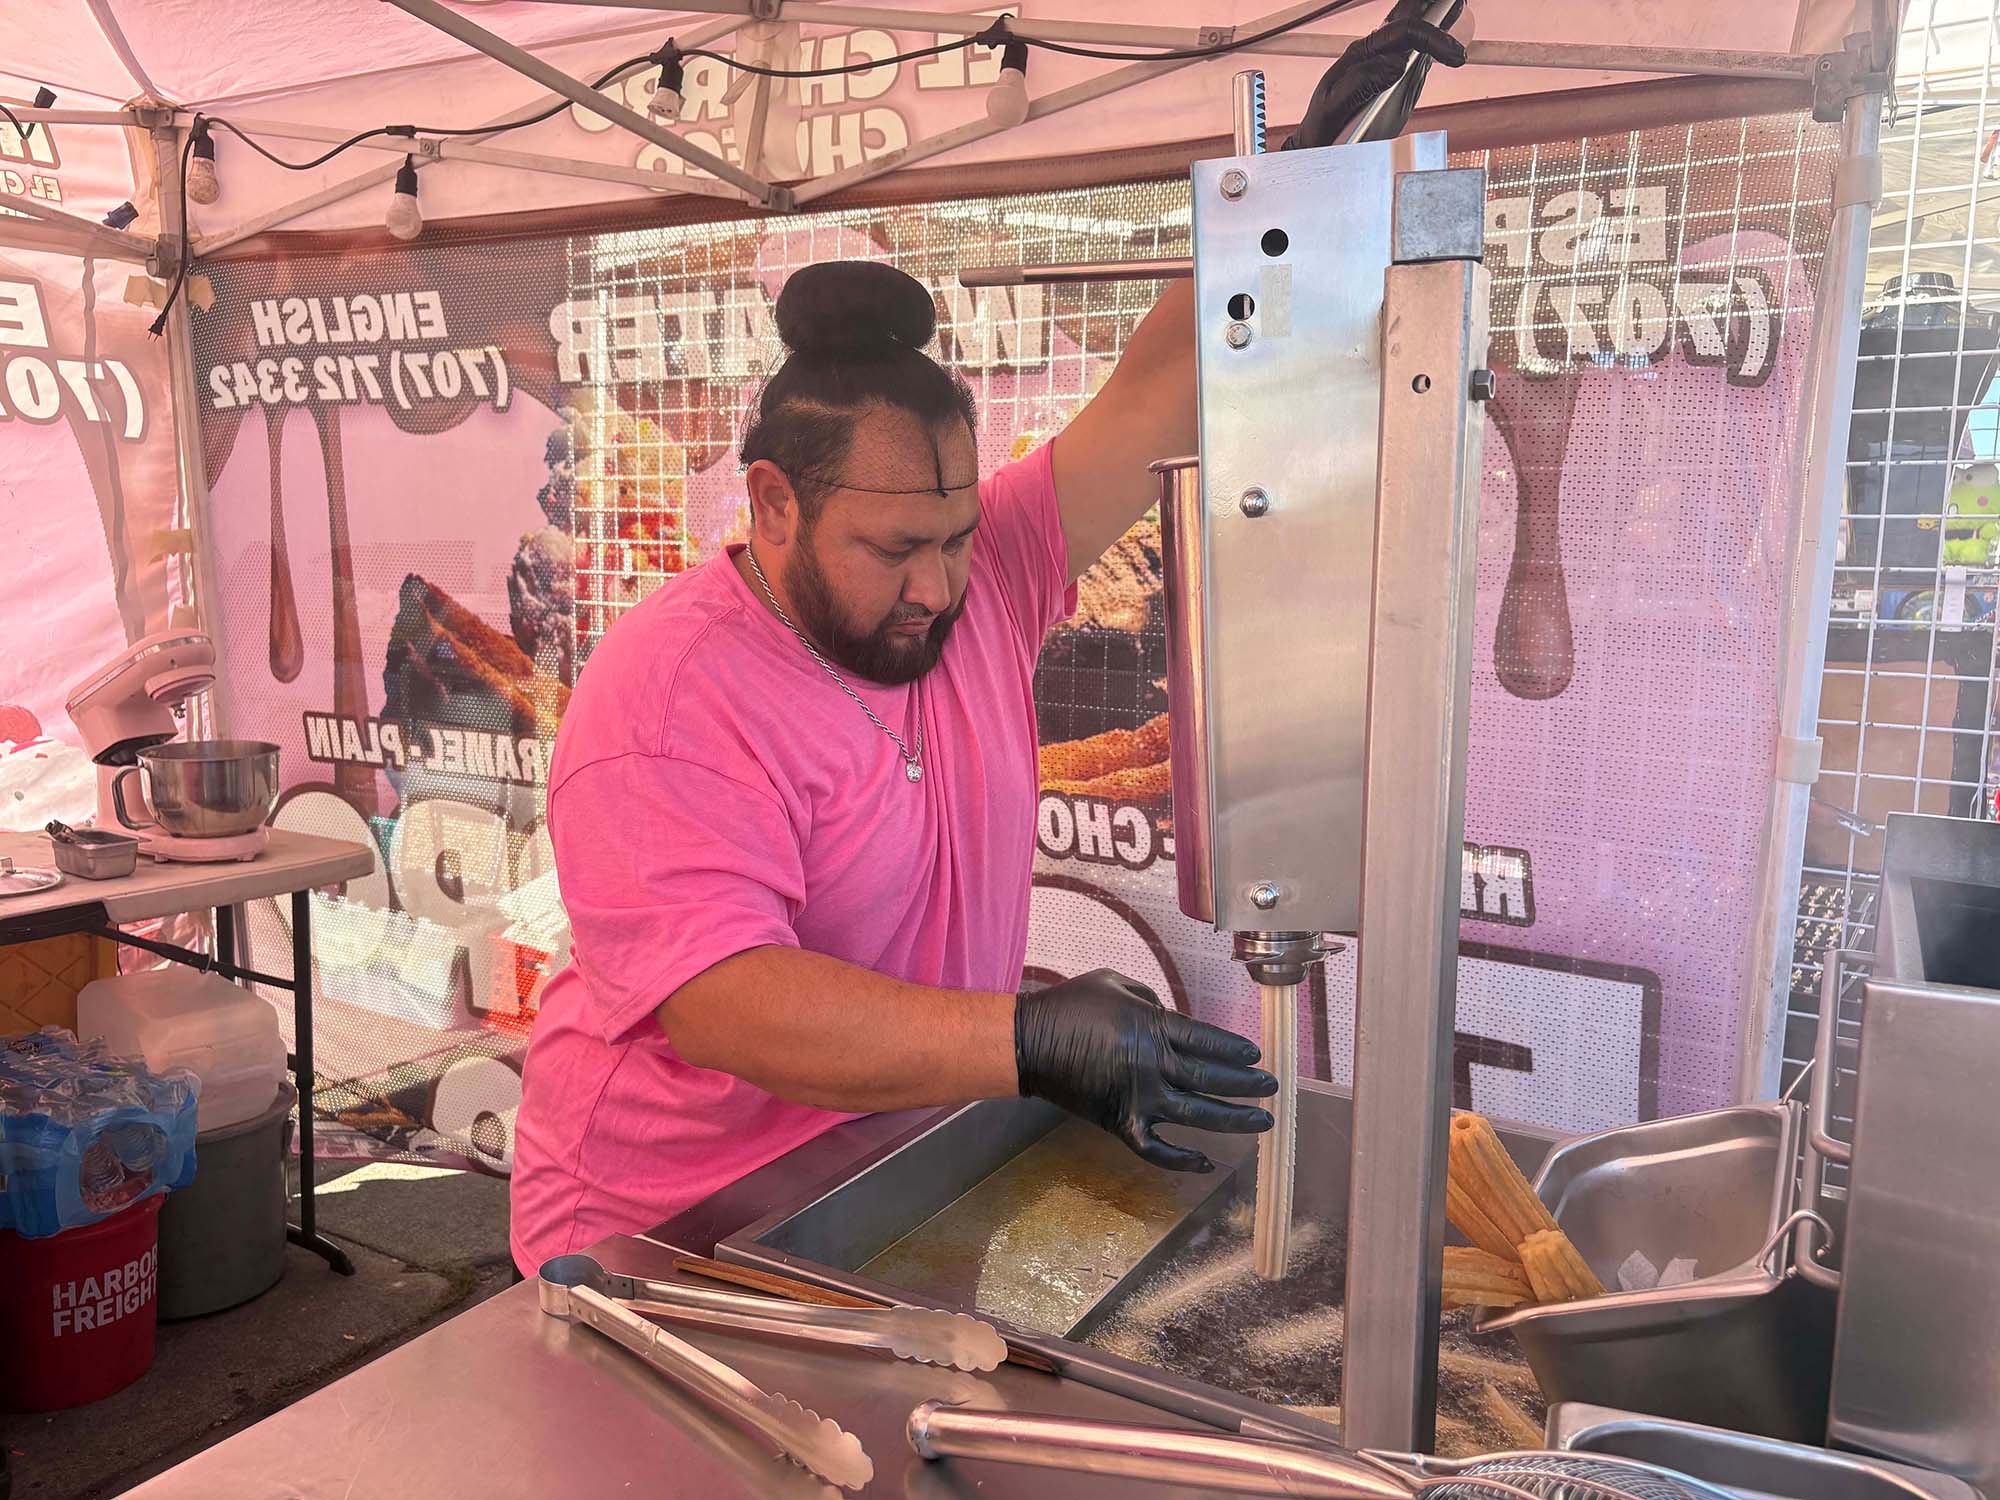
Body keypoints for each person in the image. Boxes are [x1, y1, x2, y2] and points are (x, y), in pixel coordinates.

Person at [510, 4, 1470, 1273]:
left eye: (956, 533)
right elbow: (727, 1003)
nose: (938, 585)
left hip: (885, 1180)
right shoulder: (669, 696)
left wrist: (1298, 185)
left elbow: (1151, 394)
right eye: (893, 550)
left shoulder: (988, 574)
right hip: (661, 1232)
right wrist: (1025, 1038)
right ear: (771, 503)